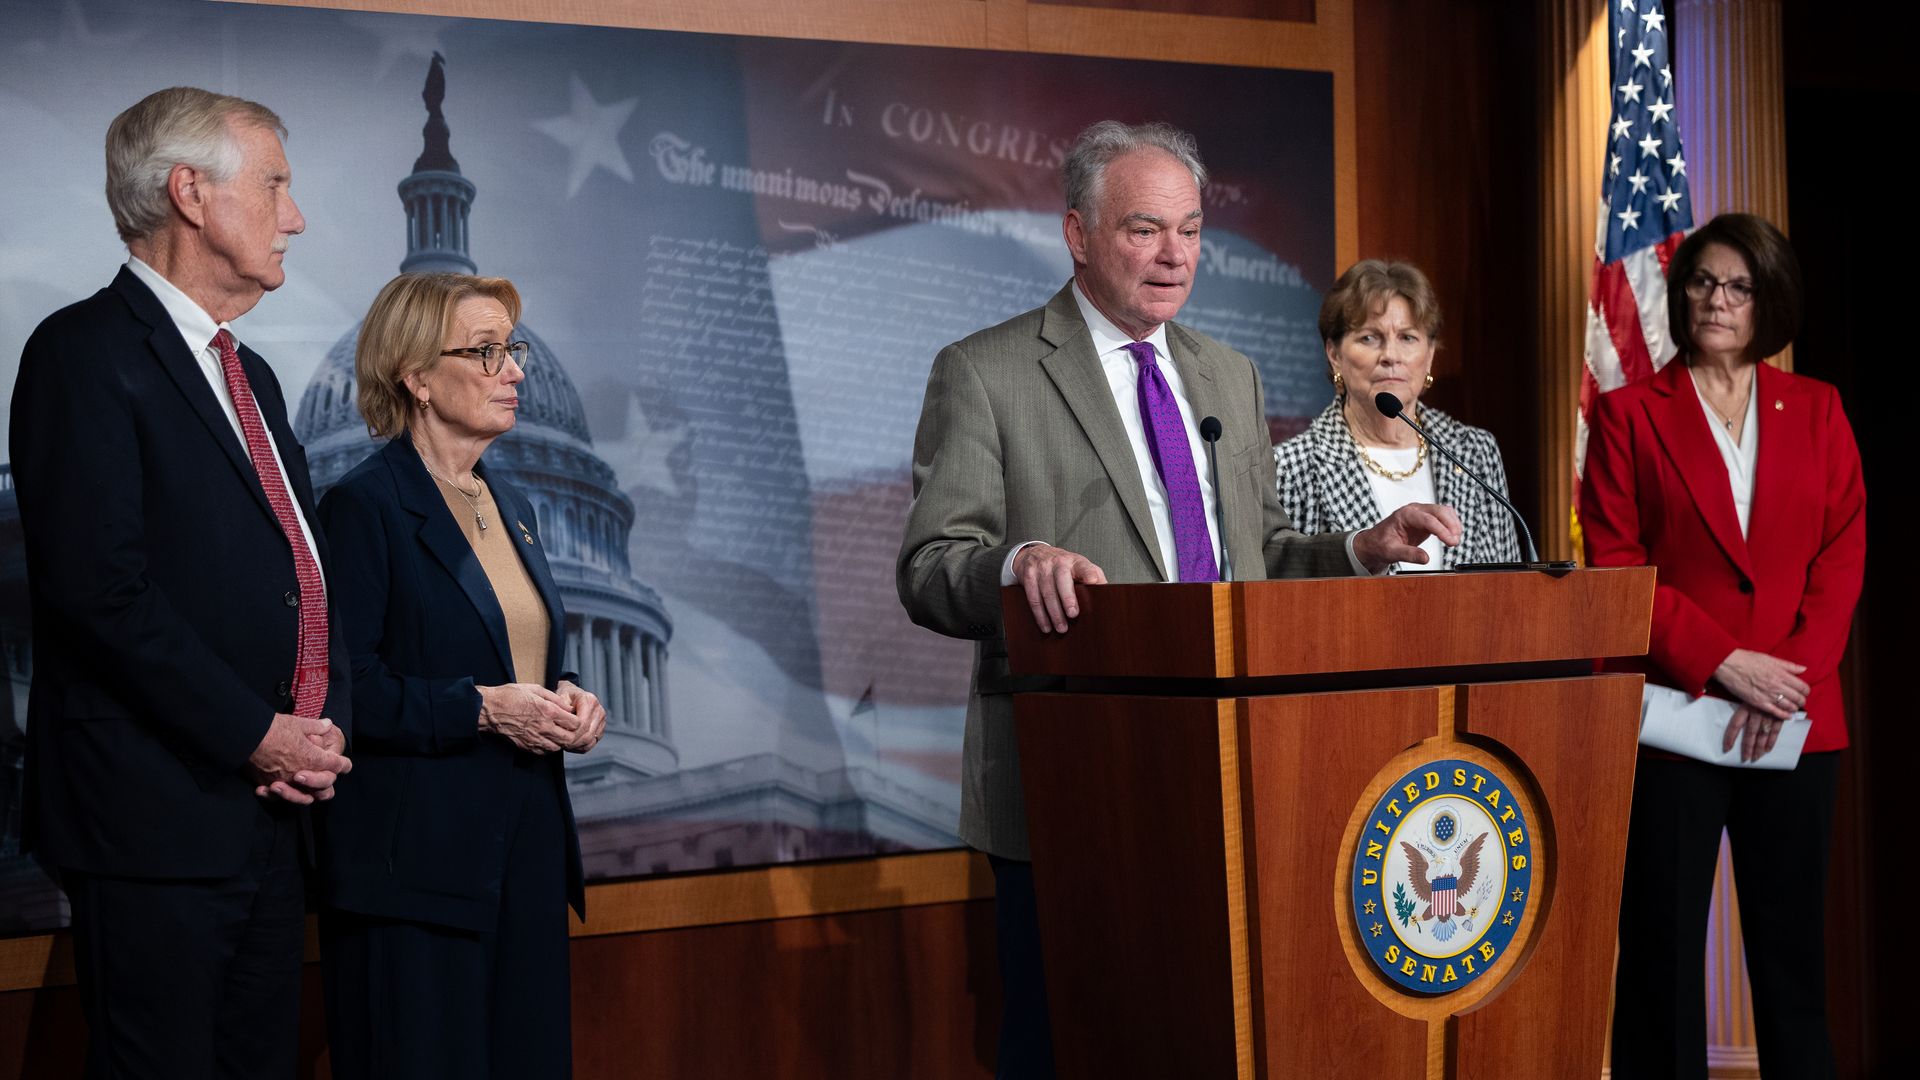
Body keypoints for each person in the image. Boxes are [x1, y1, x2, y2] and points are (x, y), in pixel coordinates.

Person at [896, 120, 1459, 1078]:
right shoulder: (986, 371)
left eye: (1191, 231)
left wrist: (1361, 547)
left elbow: (1262, 555)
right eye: (1145, 229)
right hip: (1074, 774)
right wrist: (1017, 562)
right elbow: (929, 563)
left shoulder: (1225, 375)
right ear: (1078, 233)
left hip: (1232, 770)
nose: (1174, 256)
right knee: (1070, 1043)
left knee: (1209, 1035)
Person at [9, 87, 352, 1077]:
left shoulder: (256, 377)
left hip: (273, 815)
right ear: (191, 192)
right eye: (277, 185)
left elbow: (301, 573)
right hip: (154, 818)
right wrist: (257, 733)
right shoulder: (82, 354)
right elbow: (98, 594)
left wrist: (317, 728)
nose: (296, 216)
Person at [1580, 212, 1865, 1078]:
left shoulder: (1817, 410)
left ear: (1767, 299)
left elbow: (1842, 551)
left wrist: (1791, 679)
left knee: (1791, 968)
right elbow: (1617, 563)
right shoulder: (1631, 414)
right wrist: (1725, 664)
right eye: (1703, 281)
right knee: (1663, 963)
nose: (1717, 299)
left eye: (1739, 286)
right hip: (1680, 718)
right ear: (1680, 290)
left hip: (1797, 723)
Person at [315, 272, 606, 1079]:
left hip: (526, 857)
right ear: (414, 375)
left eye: (509, 350)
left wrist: (568, 692)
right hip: (418, 874)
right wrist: (483, 710)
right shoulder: (364, 506)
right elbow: (349, 692)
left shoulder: (507, 500)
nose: (514, 370)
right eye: (485, 353)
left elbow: (516, 650)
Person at [1275, 259, 1520, 569]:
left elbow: (1509, 585)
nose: (1391, 356)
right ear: (1334, 354)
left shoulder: (1475, 453)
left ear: (1429, 354)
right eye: (1369, 337)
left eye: (1407, 338)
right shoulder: (1292, 467)